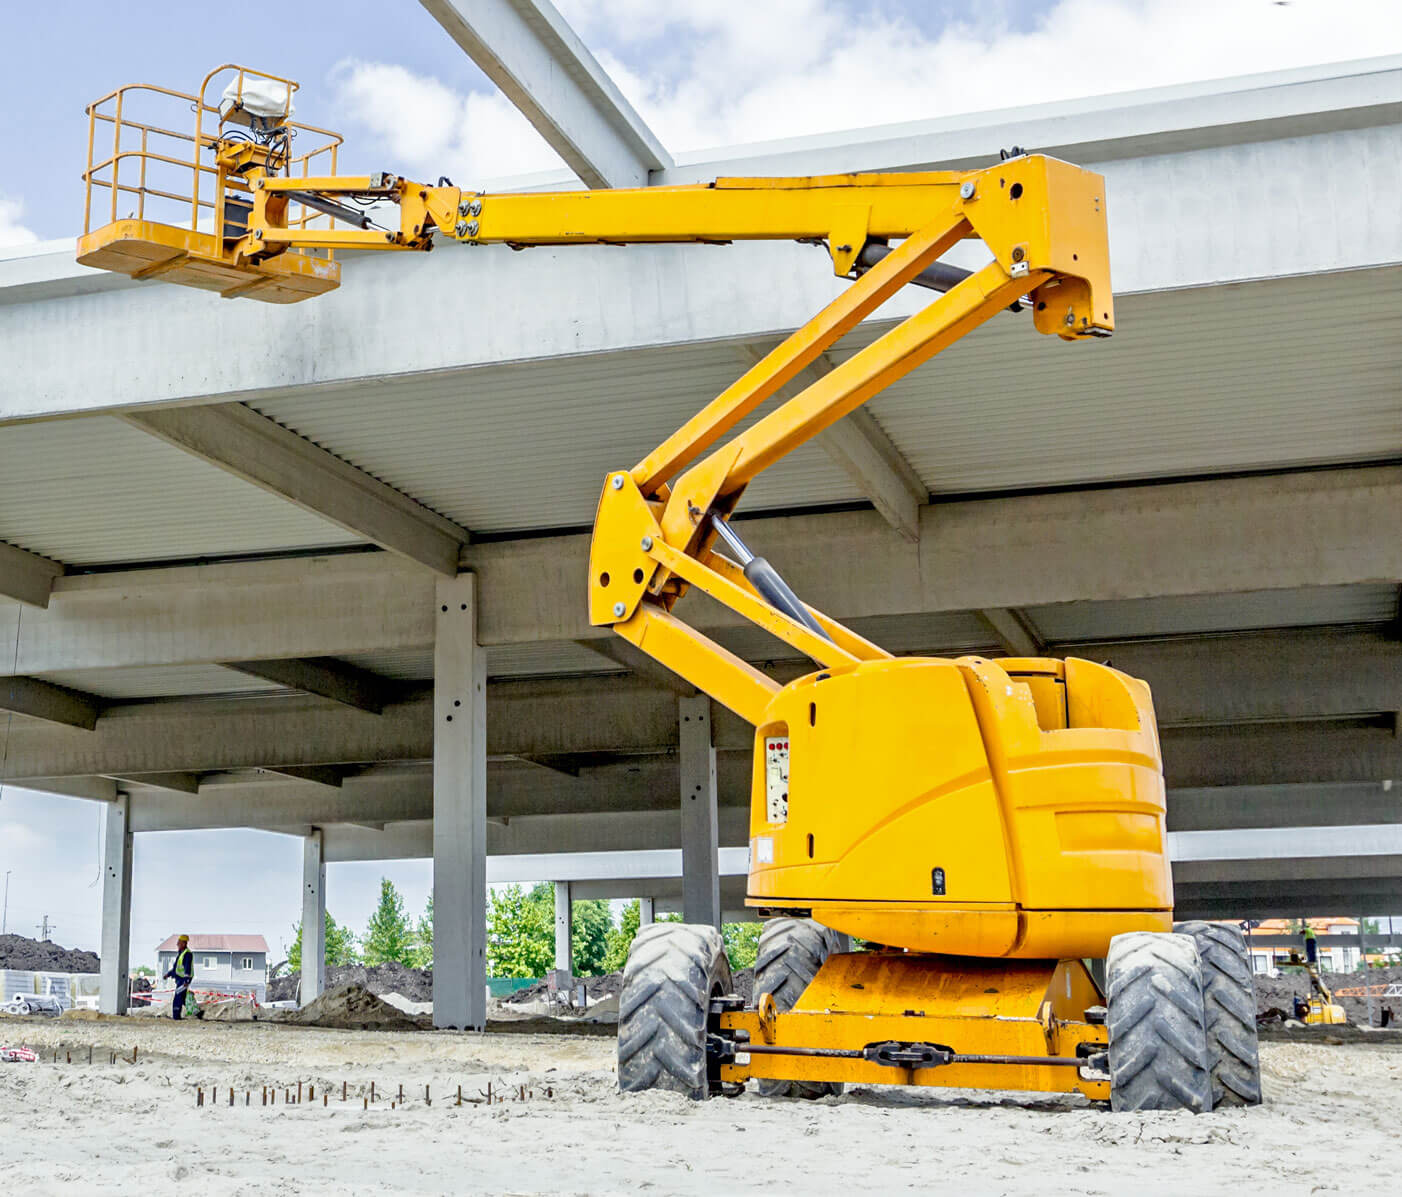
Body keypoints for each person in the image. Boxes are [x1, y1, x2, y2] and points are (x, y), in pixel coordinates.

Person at [164, 934, 194, 1020]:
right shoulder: (181, 953)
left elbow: (187, 968)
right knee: (183, 998)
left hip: (183, 980)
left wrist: (186, 981)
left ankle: (176, 1017)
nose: (177, 944)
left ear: (184, 943)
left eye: (179, 942)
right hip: (180, 979)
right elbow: (176, 968)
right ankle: (196, 1012)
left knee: (178, 997)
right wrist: (168, 974)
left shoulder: (187, 954)